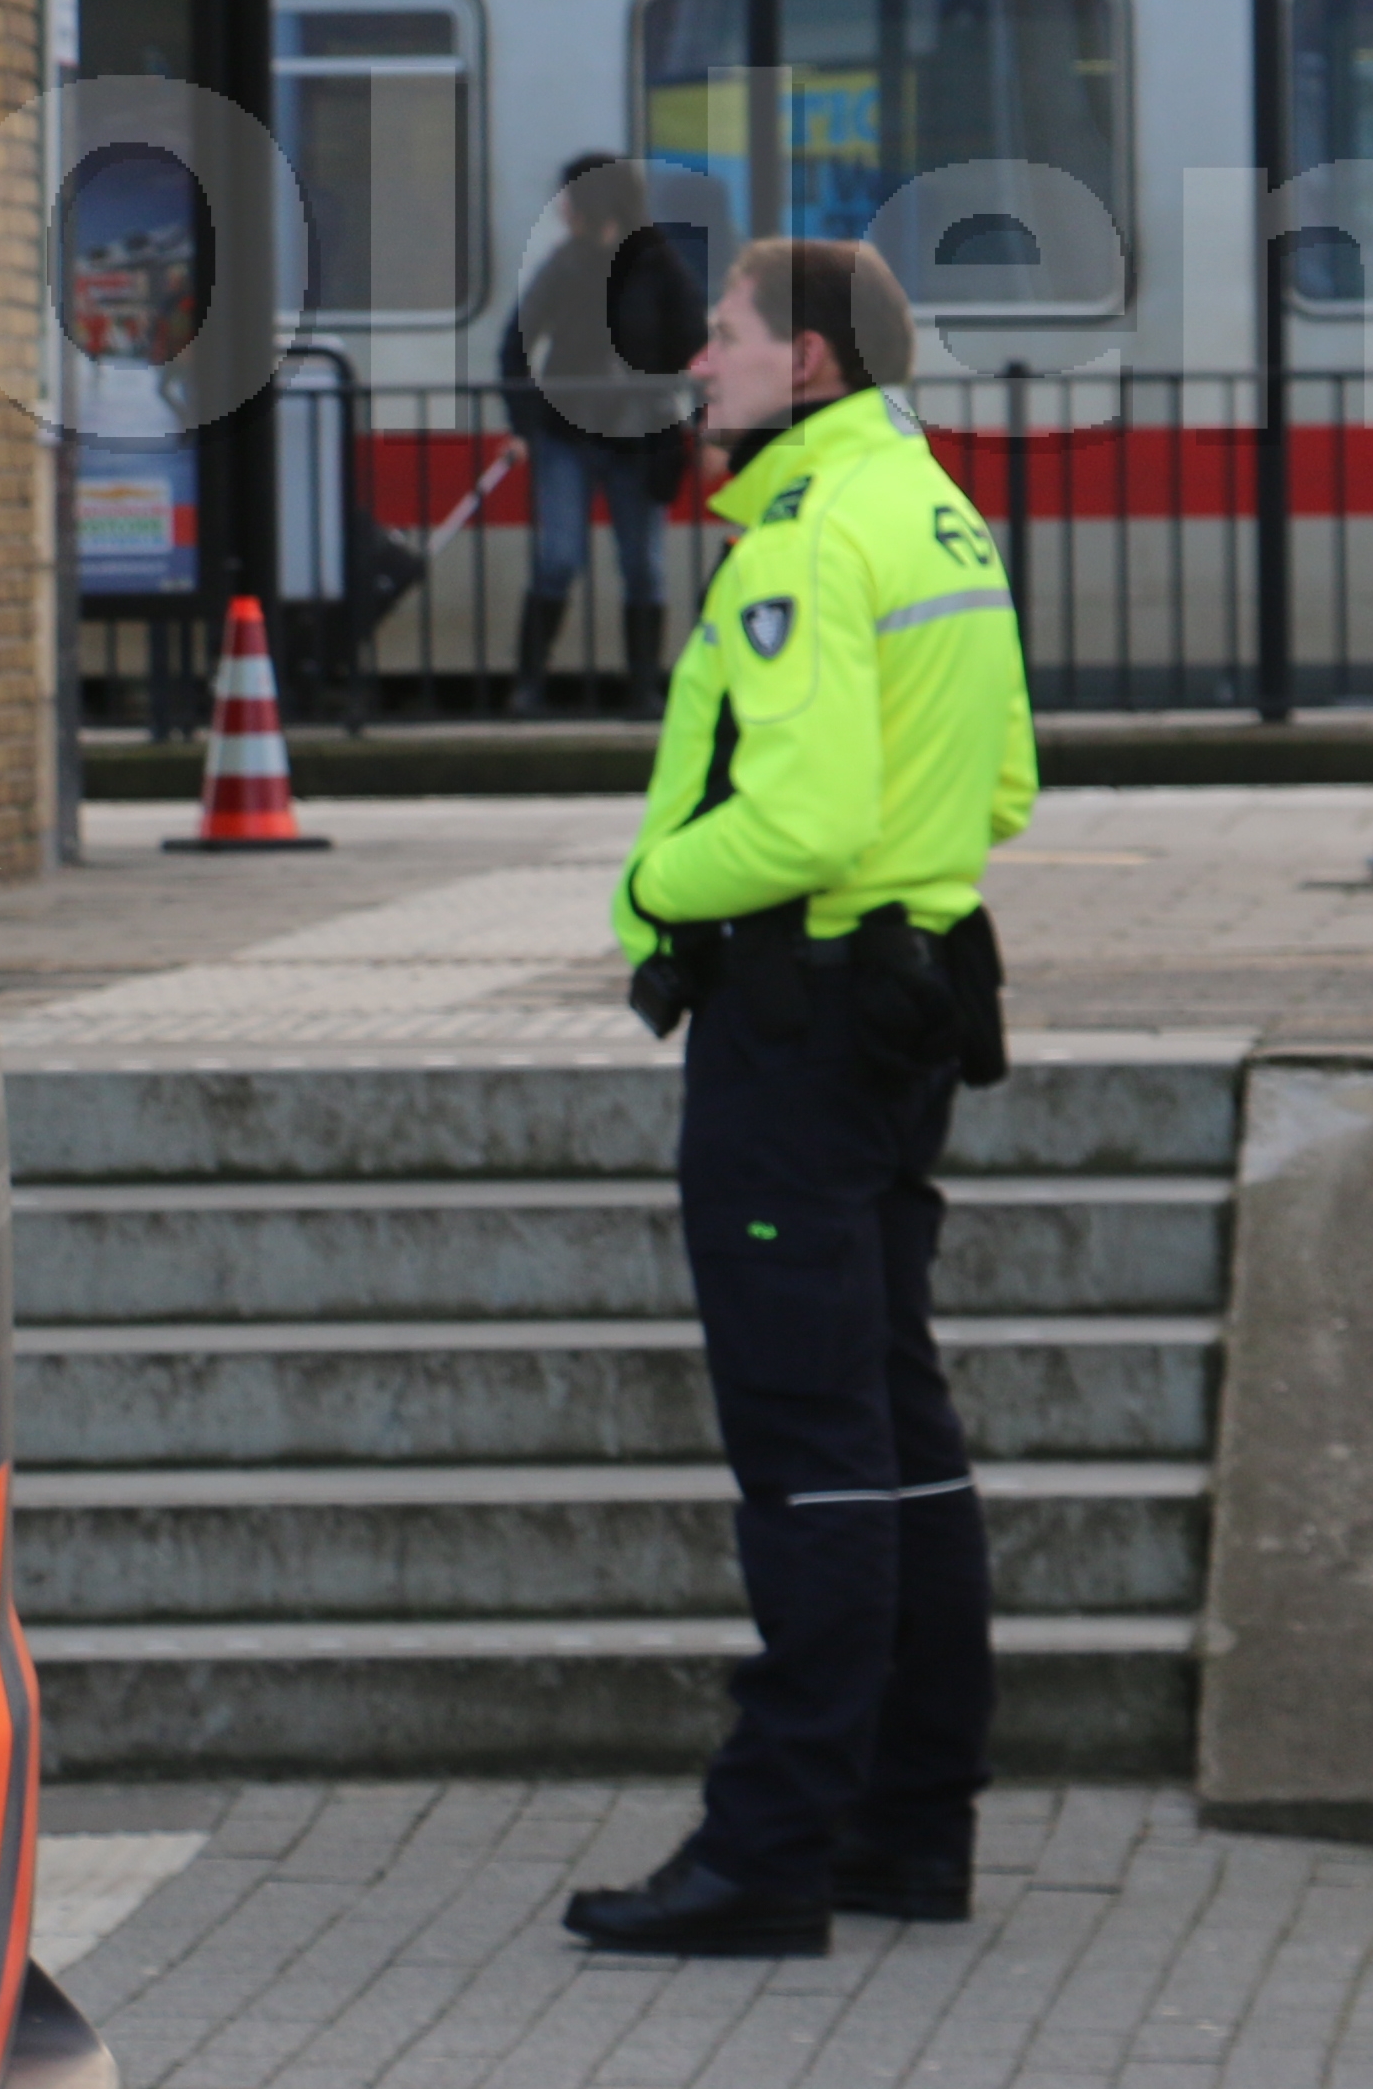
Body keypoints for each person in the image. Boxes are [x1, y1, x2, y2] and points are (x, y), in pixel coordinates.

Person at [562, 235, 1033, 1960]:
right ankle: (911, 1827)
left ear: (812, 364)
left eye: (732, 332)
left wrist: (652, 892)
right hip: (901, 1007)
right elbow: (1004, 779)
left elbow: (807, 815)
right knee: (896, 1433)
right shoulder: (933, 511)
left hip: (797, 1025)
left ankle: (767, 1848)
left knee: (809, 1451)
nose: (700, 359)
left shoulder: (803, 541)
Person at [496, 155, 700, 713]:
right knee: (557, 558)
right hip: (567, 434)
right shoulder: (565, 265)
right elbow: (514, 346)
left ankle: (642, 688)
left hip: (641, 437)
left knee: (644, 565)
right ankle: (529, 684)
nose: (561, 208)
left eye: (568, 196)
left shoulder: (659, 265)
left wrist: (690, 407)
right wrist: (523, 424)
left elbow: (694, 342)